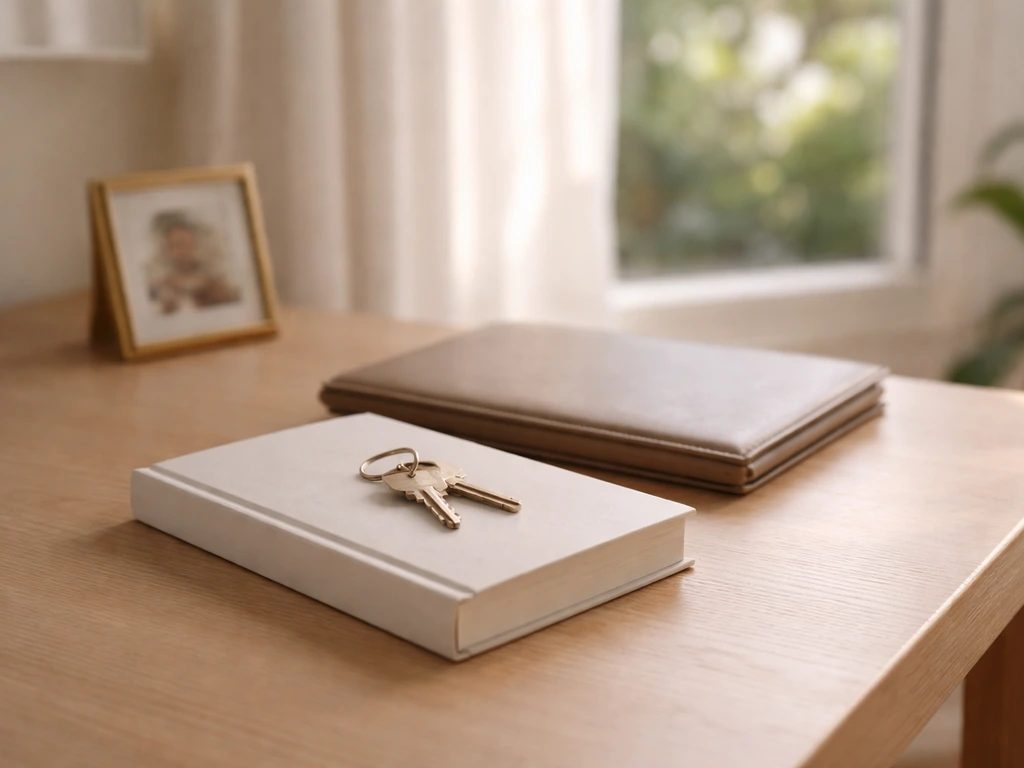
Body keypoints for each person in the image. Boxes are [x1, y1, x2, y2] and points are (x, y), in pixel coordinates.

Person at [146, 211, 240, 314]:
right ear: (168, 248)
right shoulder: (159, 285)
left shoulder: (213, 279)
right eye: (178, 245)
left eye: (189, 244)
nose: (184, 251)